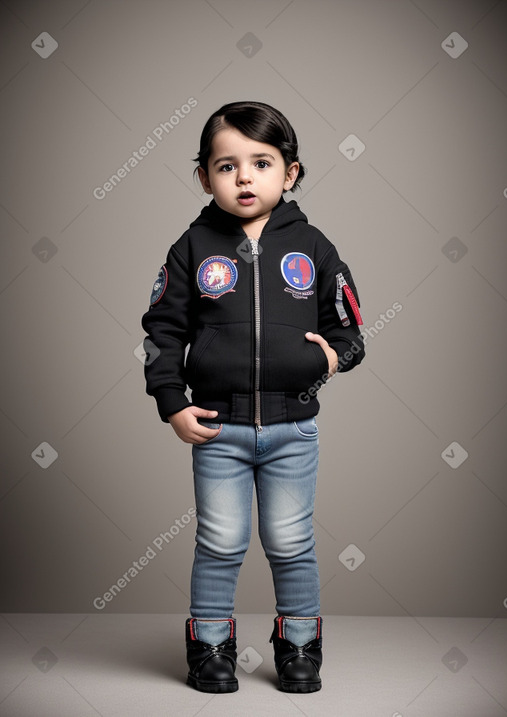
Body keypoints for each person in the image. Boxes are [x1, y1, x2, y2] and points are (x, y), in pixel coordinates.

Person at [141, 100, 365, 694]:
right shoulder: (191, 248)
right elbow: (162, 330)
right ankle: (210, 647)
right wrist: (171, 400)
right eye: (226, 166)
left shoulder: (313, 247)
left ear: (289, 172)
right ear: (204, 177)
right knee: (219, 540)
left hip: (292, 428)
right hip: (219, 427)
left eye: (261, 163)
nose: (244, 177)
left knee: (291, 541)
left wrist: (332, 356)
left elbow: (349, 328)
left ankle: (299, 647)